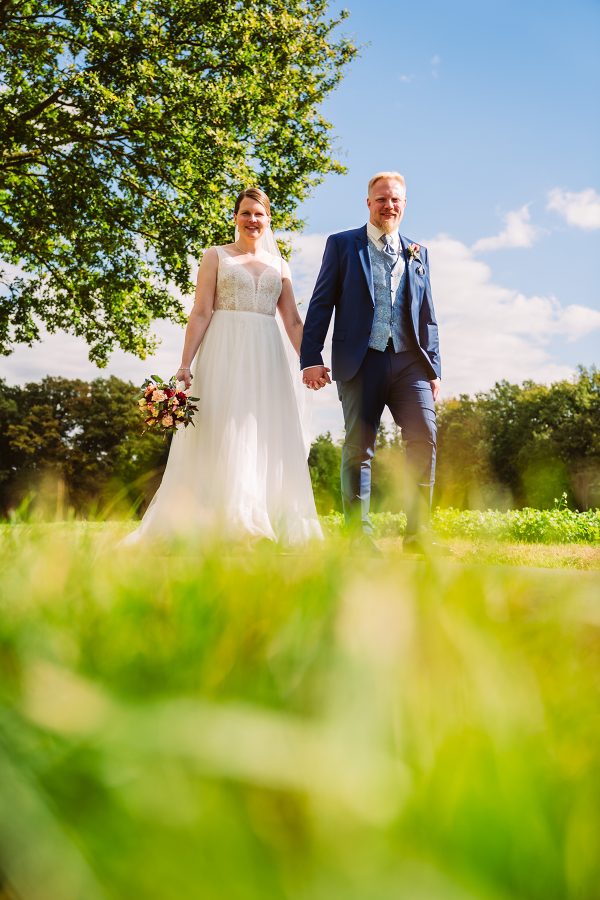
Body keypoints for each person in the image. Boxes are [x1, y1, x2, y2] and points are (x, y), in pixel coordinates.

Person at [126, 188, 322, 546]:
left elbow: (293, 321)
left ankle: (260, 516)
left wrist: (311, 362)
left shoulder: (280, 266)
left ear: (268, 220)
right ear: (235, 217)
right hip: (224, 348)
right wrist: (185, 363)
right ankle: (219, 520)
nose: (252, 220)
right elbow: (201, 311)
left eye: (259, 214)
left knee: (262, 428)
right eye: (246, 213)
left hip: (266, 353)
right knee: (222, 427)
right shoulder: (215, 256)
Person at [300, 171, 442, 553]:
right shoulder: (343, 245)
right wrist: (310, 357)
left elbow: (427, 315)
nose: (388, 205)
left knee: (424, 438)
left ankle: (417, 535)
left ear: (404, 204)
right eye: (381, 199)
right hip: (361, 360)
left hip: (410, 361)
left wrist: (434, 370)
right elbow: (321, 302)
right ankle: (357, 536)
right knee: (360, 447)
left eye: (395, 199)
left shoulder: (418, 252)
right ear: (368, 203)